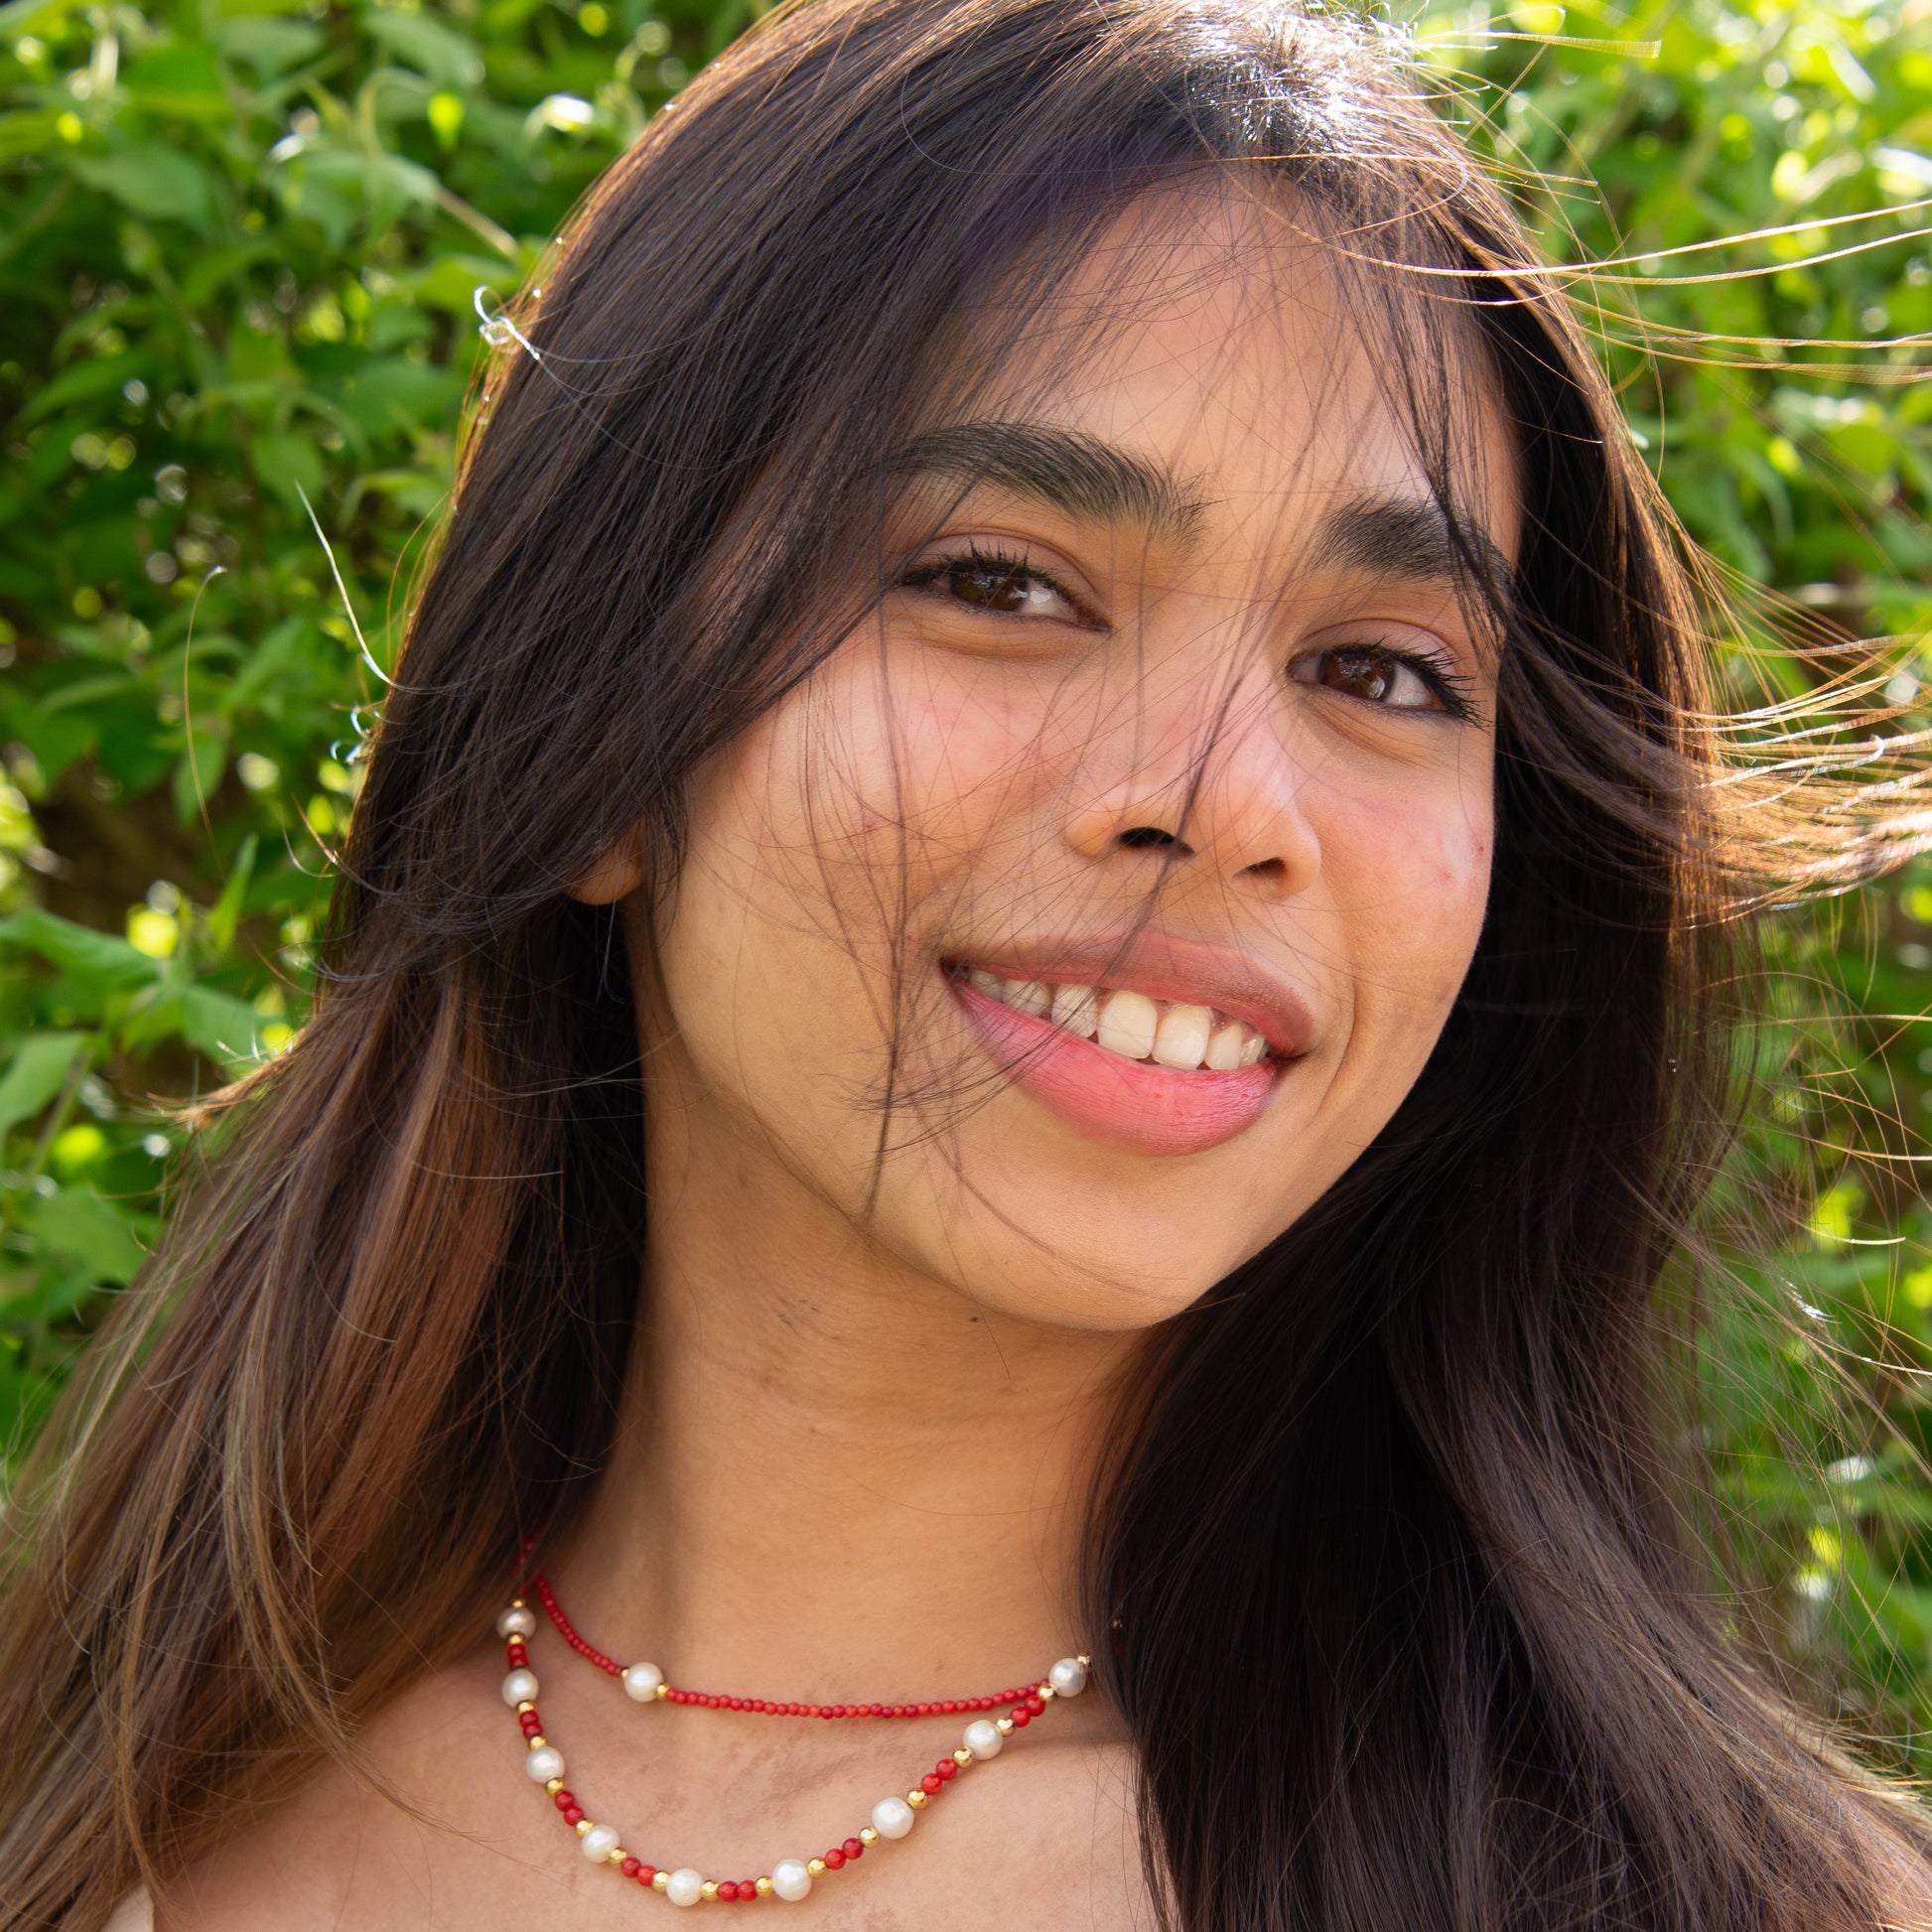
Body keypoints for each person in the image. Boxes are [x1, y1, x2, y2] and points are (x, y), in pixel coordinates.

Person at [5, 0, 1930, 1925]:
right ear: (592, 741)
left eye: (1383, 671)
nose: (1223, 797)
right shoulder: (101, 1814)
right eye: (1002, 582)